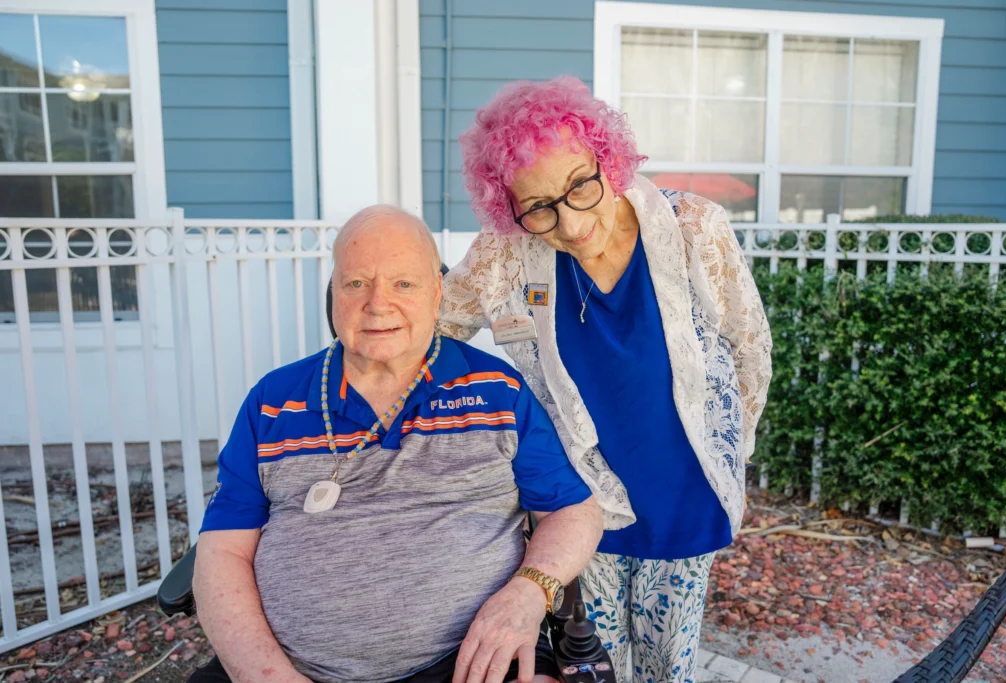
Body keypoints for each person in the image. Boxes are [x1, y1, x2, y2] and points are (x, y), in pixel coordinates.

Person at [437, 76, 773, 683]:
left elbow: (750, 349)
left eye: (579, 187)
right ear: (509, 207)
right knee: (591, 665)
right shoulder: (506, 253)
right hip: (583, 499)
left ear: (607, 160)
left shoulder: (696, 226)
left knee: (669, 666)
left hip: (685, 488)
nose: (568, 223)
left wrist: (730, 444)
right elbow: (430, 331)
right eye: (539, 207)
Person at [191, 205, 604, 683]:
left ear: (437, 295)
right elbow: (222, 551)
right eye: (356, 284)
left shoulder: (497, 392)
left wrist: (529, 592)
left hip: (467, 660)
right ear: (334, 296)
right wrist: (264, 675)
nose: (378, 304)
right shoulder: (271, 403)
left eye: (403, 284)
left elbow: (574, 511)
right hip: (289, 668)